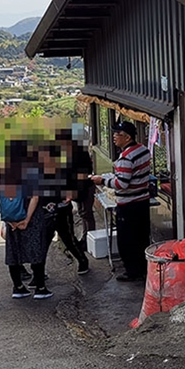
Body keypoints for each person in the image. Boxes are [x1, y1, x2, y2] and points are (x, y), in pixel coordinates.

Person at [90, 120, 151, 282]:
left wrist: (101, 181)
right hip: (143, 201)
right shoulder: (143, 150)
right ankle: (145, 268)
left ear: (127, 137)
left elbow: (121, 184)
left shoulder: (125, 157)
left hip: (129, 204)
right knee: (142, 237)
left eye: (118, 134)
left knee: (127, 240)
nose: (114, 137)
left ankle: (133, 272)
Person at [0, 139, 52, 299]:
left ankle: (18, 287)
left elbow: (0, 199)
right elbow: (35, 197)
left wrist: (11, 221)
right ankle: (40, 288)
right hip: (32, 217)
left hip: (12, 218)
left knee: (14, 253)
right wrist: (27, 220)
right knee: (36, 250)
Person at [37, 141, 91, 277]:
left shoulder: (65, 170)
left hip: (62, 211)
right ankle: (38, 274)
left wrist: (71, 193)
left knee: (69, 239)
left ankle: (82, 260)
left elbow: (77, 183)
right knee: (42, 243)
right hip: (45, 212)